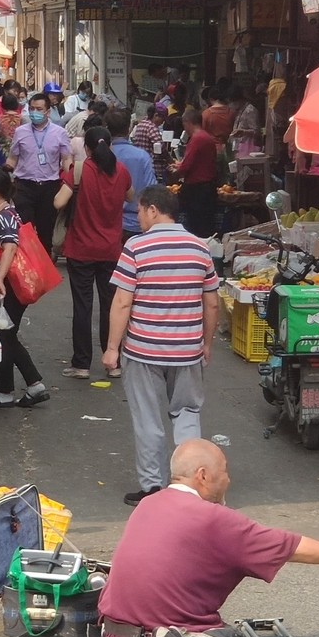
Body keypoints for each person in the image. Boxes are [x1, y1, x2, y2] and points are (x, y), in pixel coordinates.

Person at [97, 439, 319, 637]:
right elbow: (289, 546)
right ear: (203, 475)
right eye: (224, 471)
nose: (228, 479)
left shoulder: (148, 503)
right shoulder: (213, 518)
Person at [103, 185, 219, 506]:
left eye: (140, 211)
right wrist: (206, 343)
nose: (138, 217)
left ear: (153, 210)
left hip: (143, 350)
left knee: (148, 419)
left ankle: (153, 487)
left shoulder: (136, 247)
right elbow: (212, 304)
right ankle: (191, 486)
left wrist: (112, 347)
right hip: (187, 351)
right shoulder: (200, 248)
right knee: (187, 414)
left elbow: (123, 302)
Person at [56, 127, 132, 381]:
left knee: (83, 306)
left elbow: (58, 202)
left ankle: (82, 364)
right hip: (111, 250)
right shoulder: (121, 171)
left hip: (81, 249)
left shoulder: (79, 170)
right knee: (111, 305)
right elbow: (131, 196)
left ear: (87, 148)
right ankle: (114, 363)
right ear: (109, 145)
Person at [0, 166, 49, 409]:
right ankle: (22, 387)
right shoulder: (3, 213)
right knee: (4, 334)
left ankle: (15, 389)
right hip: (1, 283)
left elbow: (10, 246)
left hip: (9, 285)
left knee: (3, 334)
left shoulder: (5, 215)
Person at [7, 91, 72, 254]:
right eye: (32, 109)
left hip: (49, 187)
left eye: (39, 109)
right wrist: (4, 174)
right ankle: (26, 263)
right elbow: (13, 158)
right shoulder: (20, 132)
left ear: (47, 112)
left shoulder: (60, 133)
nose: (34, 112)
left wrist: (71, 181)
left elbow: (66, 160)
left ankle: (45, 263)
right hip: (24, 186)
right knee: (24, 229)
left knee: (46, 230)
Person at [104, 107, 156, 242]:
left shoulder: (101, 157)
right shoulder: (142, 156)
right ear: (128, 129)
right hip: (135, 223)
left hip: (106, 224)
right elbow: (151, 190)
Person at [170, 108, 217, 238]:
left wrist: (176, 171)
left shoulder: (197, 139)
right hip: (208, 186)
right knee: (206, 224)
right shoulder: (207, 137)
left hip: (197, 189)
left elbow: (186, 166)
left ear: (188, 122)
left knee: (196, 226)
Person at [130, 102, 167, 182]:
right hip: (153, 169)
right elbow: (160, 148)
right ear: (156, 115)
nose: (163, 122)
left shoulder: (140, 124)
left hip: (141, 166)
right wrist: (170, 160)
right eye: (162, 119)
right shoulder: (152, 127)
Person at [228, 86, 261, 159]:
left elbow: (256, 131)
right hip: (239, 147)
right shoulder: (240, 110)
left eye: (233, 101)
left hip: (248, 147)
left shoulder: (250, 110)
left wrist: (243, 132)